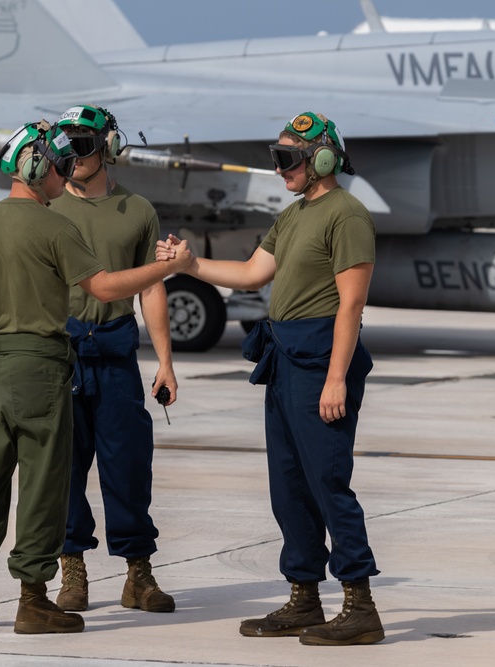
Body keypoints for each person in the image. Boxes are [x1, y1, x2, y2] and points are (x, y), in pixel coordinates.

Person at [0, 120, 193, 634]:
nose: (65, 169)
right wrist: (171, 268)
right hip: (41, 363)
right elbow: (104, 287)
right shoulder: (54, 225)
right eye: (57, 163)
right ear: (36, 169)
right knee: (46, 483)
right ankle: (35, 598)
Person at [160, 111, 384, 646]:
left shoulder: (347, 215)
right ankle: (304, 597)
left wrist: (335, 380)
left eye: (287, 159)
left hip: (320, 363)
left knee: (328, 484)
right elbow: (250, 274)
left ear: (322, 159)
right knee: (289, 488)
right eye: (276, 158)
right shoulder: (292, 215)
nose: (279, 169)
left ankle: (360, 605)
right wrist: (190, 266)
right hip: (284, 360)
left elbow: (351, 306)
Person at [47, 104, 176, 614]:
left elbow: (151, 289)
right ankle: (71, 569)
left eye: (83, 144)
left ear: (109, 148)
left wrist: (164, 360)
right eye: (65, 144)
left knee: (129, 467)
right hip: (61, 353)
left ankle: (137, 573)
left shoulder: (139, 211)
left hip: (117, 351)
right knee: (62, 469)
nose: (71, 155)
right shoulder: (47, 208)